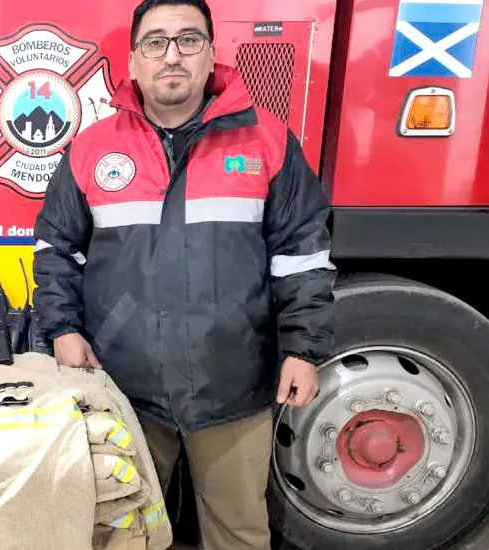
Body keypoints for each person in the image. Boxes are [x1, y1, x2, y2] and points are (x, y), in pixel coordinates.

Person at [32, 0, 335, 547]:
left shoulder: (266, 141)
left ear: (212, 54)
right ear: (133, 60)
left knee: (238, 532)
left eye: (188, 40)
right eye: (155, 42)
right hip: (123, 384)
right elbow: (56, 249)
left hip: (233, 384)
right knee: (118, 530)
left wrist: (302, 349)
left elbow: (301, 253)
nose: (172, 55)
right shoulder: (91, 148)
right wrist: (63, 330)